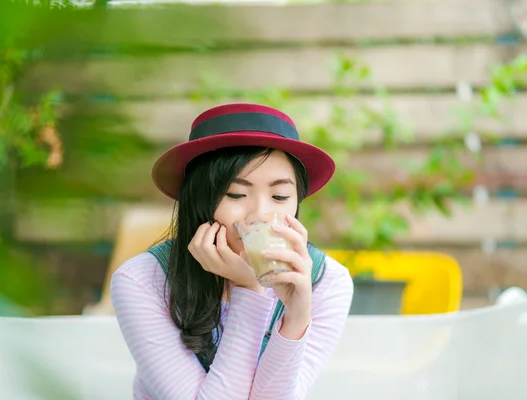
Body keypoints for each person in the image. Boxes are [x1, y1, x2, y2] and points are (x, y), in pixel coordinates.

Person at [110, 103, 354, 399]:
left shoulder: (326, 282)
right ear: (200, 200)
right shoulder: (142, 280)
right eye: (236, 194)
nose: (260, 214)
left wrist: (297, 316)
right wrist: (248, 289)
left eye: (280, 196)